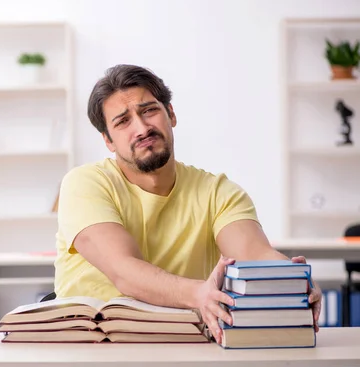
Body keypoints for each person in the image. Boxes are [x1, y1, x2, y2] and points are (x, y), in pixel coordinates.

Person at [53, 64, 322, 343]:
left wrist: (291, 278)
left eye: (149, 111)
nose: (142, 128)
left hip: (182, 346)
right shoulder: (83, 184)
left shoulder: (218, 192)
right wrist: (198, 293)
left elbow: (255, 253)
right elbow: (124, 271)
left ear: (171, 114)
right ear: (108, 140)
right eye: (123, 121)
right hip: (90, 349)